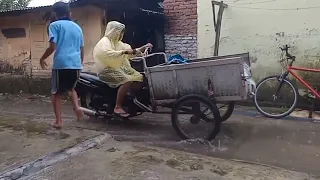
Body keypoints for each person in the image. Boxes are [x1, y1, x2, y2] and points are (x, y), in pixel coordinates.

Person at [93, 21, 153, 118]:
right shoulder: (104, 42)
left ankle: (131, 99)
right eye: (118, 31)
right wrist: (123, 52)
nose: (120, 34)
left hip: (118, 68)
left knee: (141, 77)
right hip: (106, 70)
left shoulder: (119, 43)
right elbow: (107, 54)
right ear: (112, 31)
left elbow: (131, 52)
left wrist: (144, 47)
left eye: (121, 32)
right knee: (127, 80)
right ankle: (118, 106)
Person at [39, 1, 84, 129]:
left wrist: (42, 59)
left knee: (56, 93)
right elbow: (82, 47)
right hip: (76, 64)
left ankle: (58, 122)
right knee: (71, 89)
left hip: (61, 64)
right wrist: (80, 62)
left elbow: (52, 47)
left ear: (55, 13)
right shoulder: (77, 27)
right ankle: (78, 111)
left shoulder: (54, 25)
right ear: (69, 12)